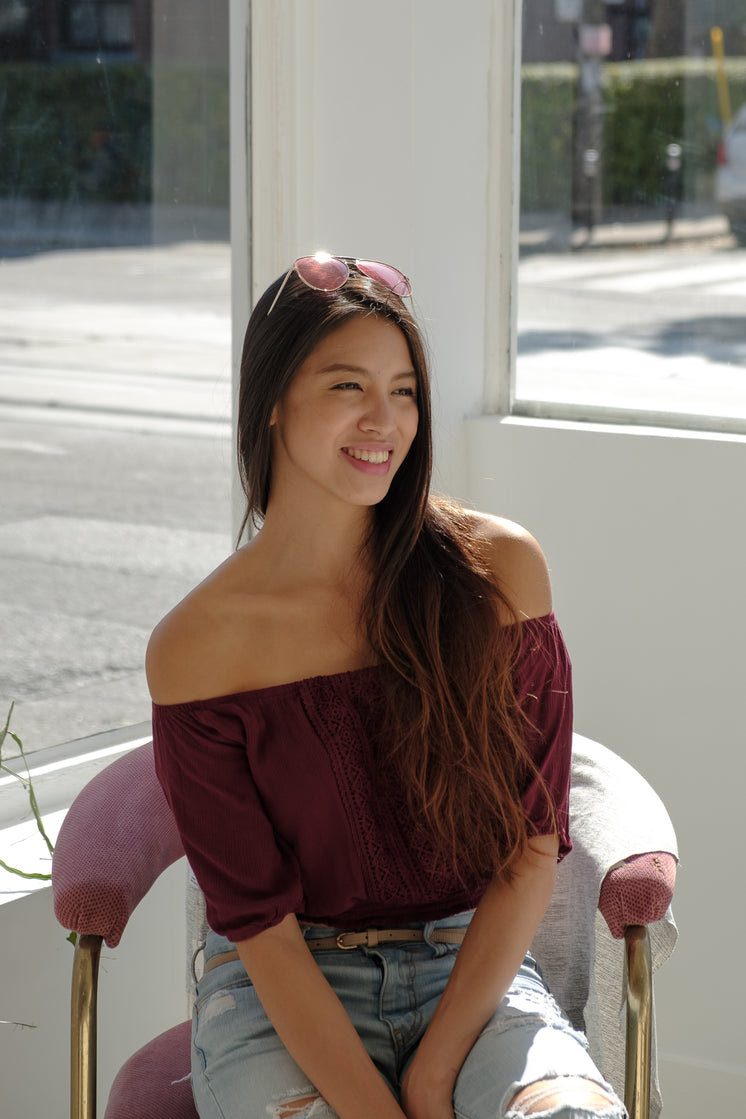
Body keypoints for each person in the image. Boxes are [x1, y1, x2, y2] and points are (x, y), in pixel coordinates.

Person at [147, 254, 626, 1119]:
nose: (385, 420)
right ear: (271, 401)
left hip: (470, 970)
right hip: (284, 992)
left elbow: (528, 844)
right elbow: (260, 925)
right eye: (347, 385)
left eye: (404, 390)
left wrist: (435, 1073)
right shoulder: (199, 645)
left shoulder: (498, 572)